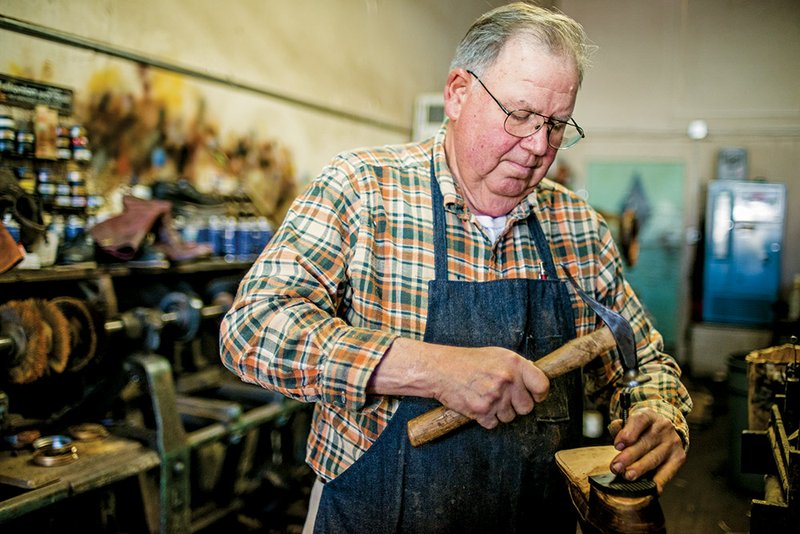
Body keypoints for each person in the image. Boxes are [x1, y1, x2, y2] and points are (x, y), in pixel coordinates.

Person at [219, 2, 692, 532]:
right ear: (458, 93)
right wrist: (432, 369)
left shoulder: (577, 228)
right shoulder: (362, 188)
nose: (538, 146)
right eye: (519, 115)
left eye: (557, 124)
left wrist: (658, 414)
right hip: (373, 515)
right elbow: (251, 330)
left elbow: (643, 359)